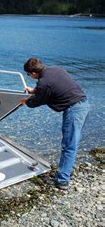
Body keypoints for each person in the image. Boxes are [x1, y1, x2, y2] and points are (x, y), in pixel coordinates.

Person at [19, 57, 89, 190]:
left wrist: (25, 102)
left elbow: (37, 101)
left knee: (69, 145)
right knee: (72, 142)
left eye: (28, 74)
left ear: (33, 73)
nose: (29, 77)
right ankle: (66, 171)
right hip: (84, 104)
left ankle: (62, 180)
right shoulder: (56, 69)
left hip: (74, 110)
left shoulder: (43, 83)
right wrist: (34, 90)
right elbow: (55, 87)